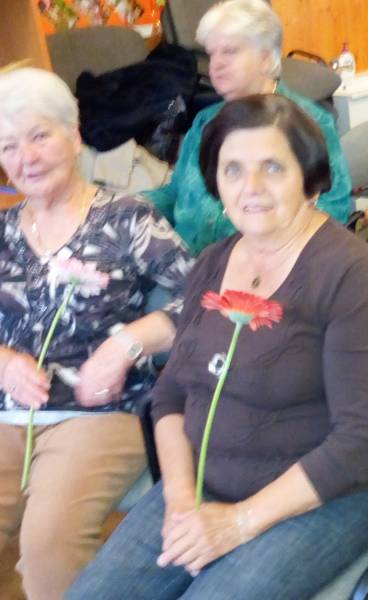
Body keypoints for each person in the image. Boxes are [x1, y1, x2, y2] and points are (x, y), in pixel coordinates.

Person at [67, 94, 368, 599]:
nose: (252, 188)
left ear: (310, 179)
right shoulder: (214, 262)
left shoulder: (353, 278)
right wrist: (180, 499)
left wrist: (238, 523)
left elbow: (361, 444)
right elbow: (171, 395)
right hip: (205, 476)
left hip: (328, 494)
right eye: (233, 170)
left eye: (273, 167)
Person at [0, 68, 193, 600]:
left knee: (47, 546)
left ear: (74, 135)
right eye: (9, 146)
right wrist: (5, 362)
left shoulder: (127, 218)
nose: (26, 157)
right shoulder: (3, 232)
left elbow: (205, 298)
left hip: (100, 409)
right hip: (8, 409)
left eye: (40, 136)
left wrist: (126, 345)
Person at [146, 0, 352, 255]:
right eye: (212, 54)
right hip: (184, 261)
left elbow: (334, 210)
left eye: (230, 51)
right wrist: (131, 205)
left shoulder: (308, 122)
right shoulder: (204, 122)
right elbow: (176, 193)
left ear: (265, 58)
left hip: (260, 265)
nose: (216, 64)